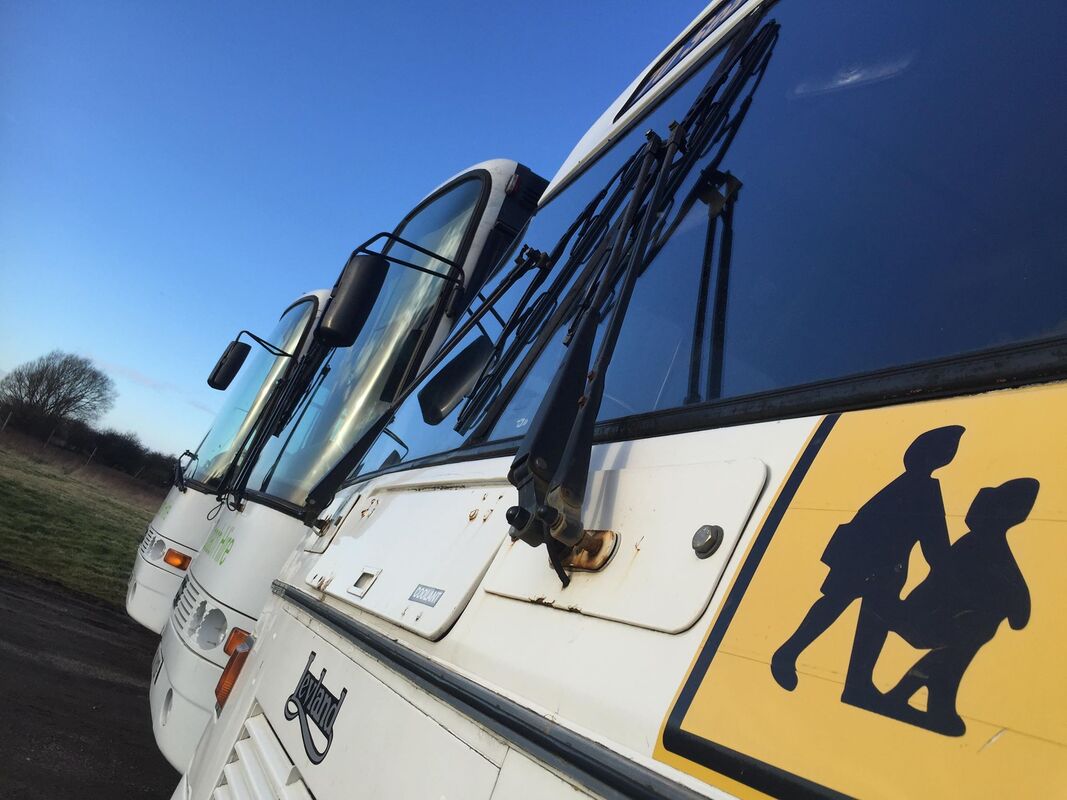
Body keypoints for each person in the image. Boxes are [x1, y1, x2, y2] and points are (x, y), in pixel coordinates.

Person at [771, 425, 965, 708]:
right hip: (874, 563)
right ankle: (798, 657)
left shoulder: (907, 483)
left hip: (870, 561)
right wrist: (951, 572)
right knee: (843, 609)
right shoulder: (923, 488)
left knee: (857, 614)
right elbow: (934, 541)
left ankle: (851, 680)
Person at [878, 477, 1038, 735]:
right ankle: (920, 697)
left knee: (969, 638)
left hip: (936, 620)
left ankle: (918, 696)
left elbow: (1012, 589)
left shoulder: (988, 545)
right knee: (971, 634)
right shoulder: (977, 545)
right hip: (924, 619)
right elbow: (993, 587)